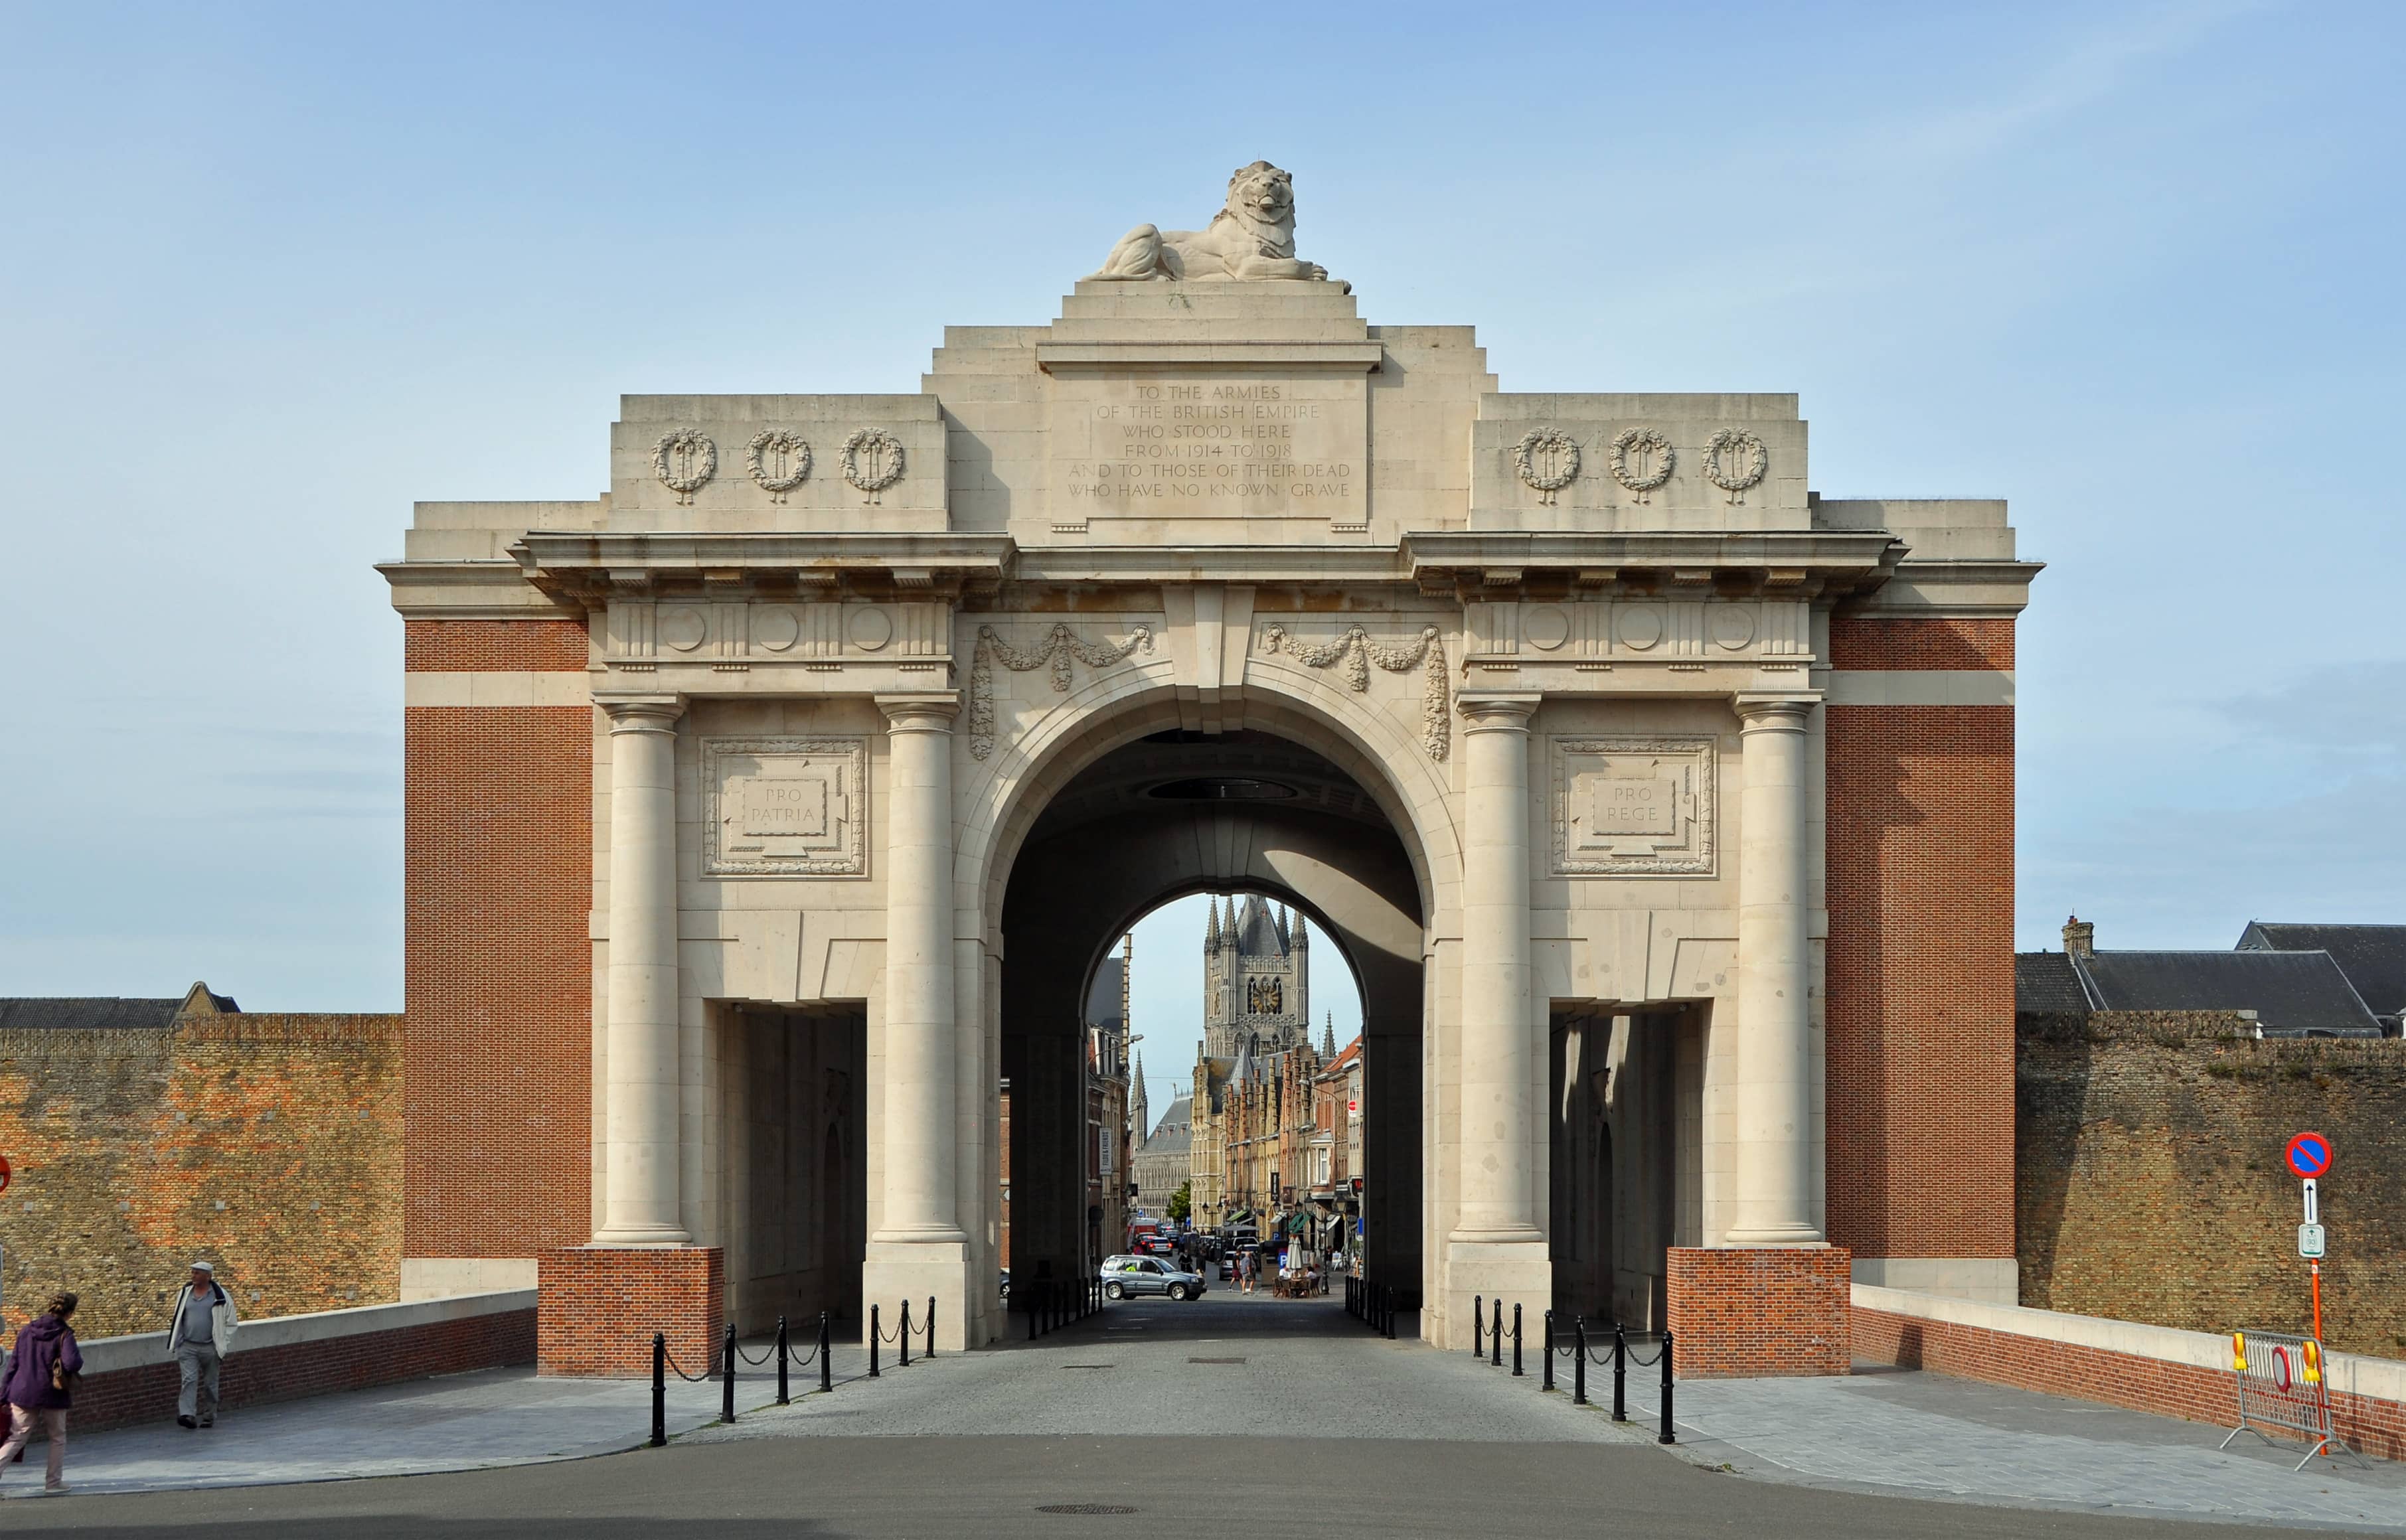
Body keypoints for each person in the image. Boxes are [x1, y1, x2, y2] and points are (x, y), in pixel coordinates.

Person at [0, 1292, 84, 1494]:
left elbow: (13, 1365)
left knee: (17, 1437)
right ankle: (53, 1483)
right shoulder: (64, 1334)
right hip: (52, 1393)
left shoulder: (27, 1330)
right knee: (57, 1437)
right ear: (70, 1313)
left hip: (23, 1392)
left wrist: (3, 1395)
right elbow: (72, 1362)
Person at [169, 1261, 239, 1429]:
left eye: (197, 1273)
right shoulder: (185, 1293)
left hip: (210, 1347)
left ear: (208, 1276)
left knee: (210, 1383)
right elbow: (178, 1316)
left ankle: (209, 1415)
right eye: (192, 1273)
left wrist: (222, 1343)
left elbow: (231, 1322)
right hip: (188, 1346)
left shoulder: (220, 1296)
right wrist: (178, 1340)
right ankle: (188, 1415)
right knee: (189, 1380)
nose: (193, 1276)